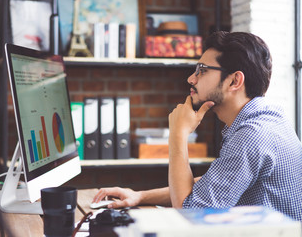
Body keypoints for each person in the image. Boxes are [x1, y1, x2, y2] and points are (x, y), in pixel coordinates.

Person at [92, 31, 302, 221]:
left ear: (234, 81)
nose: (191, 78)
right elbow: (214, 185)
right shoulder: (268, 119)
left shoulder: (252, 135)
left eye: (202, 70)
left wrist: (178, 134)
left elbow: (191, 211)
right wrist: (140, 196)